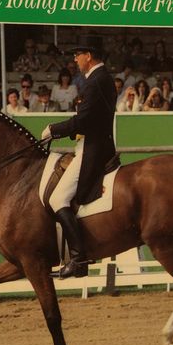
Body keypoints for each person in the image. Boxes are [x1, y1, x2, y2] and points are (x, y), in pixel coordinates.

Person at [42, 43, 117, 279]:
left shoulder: (96, 81)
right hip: (93, 143)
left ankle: (78, 259)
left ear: (89, 55)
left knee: (57, 198)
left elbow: (84, 120)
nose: (75, 59)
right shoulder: (99, 78)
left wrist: (54, 130)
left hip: (93, 149)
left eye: (77, 55)